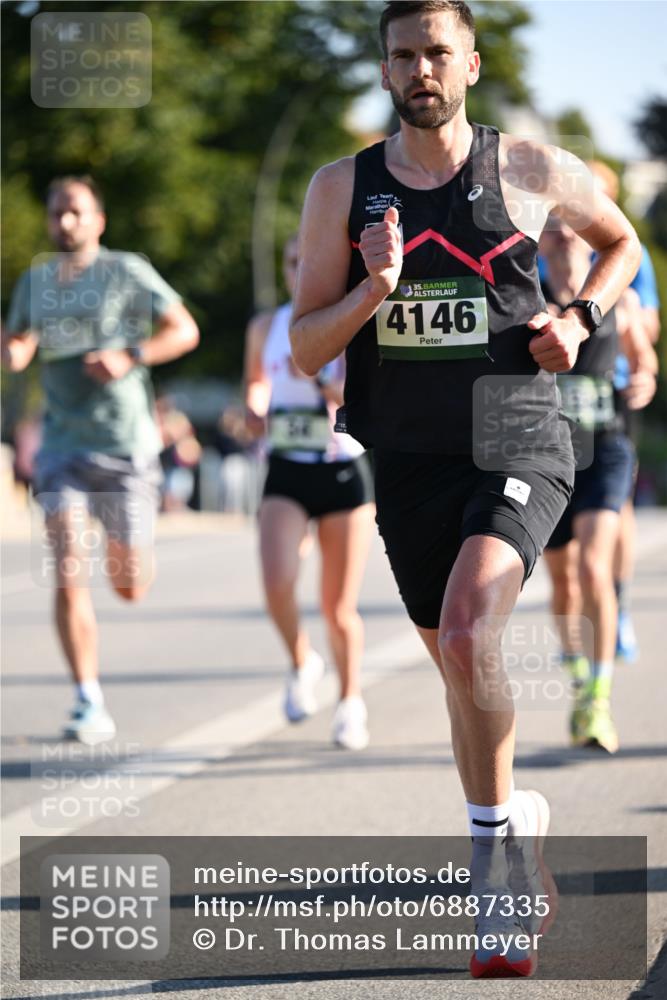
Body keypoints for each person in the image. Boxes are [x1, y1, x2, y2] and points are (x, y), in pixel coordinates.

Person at [290, 0, 641, 977]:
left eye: (435, 52)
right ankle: (513, 814)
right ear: (386, 67)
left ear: (470, 63)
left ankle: (490, 868)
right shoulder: (340, 189)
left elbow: (622, 244)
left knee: (467, 627)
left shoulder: (526, 167)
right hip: (405, 454)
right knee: (460, 667)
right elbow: (305, 343)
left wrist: (577, 315)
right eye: (401, 54)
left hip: (519, 431)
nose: (419, 70)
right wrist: (371, 289)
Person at [2, 175, 199, 744]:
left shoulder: (126, 272)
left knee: (130, 584)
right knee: (67, 570)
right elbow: (16, 352)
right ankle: (88, 698)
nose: (65, 222)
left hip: (126, 446)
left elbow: (184, 330)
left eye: (76, 212)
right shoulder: (35, 281)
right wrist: (12, 344)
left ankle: (137, 549)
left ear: (98, 220)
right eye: (57, 213)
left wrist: (129, 355)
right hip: (62, 447)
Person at [244, 236, 375, 750]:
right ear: (285, 271)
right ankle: (302, 659)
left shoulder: (352, 319)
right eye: (293, 261)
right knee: (277, 580)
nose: (302, 269)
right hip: (287, 464)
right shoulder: (266, 326)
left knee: (337, 605)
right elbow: (255, 382)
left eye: (311, 260)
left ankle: (350, 702)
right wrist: (255, 408)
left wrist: (332, 390)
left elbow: (367, 392)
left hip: (343, 466)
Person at [540, 218, 656, 753]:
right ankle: (581, 680)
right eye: (552, 226)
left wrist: (644, 376)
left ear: (591, 239)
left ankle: (600, 699)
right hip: (547, 456)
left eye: (572, 224)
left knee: (593, 568)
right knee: (563, 583)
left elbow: (643, 356)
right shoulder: (526, 300)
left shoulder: (620, 300)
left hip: (606, 447)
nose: (564, 232)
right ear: (540, 241)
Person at [588, 160, 661, 662]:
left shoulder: (628, 250)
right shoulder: (548, 248)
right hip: (556, 394)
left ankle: (619, 602)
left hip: (610, 392)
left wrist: (625, 320)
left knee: (617, 508)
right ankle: (581, 610)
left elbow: (649, 326)